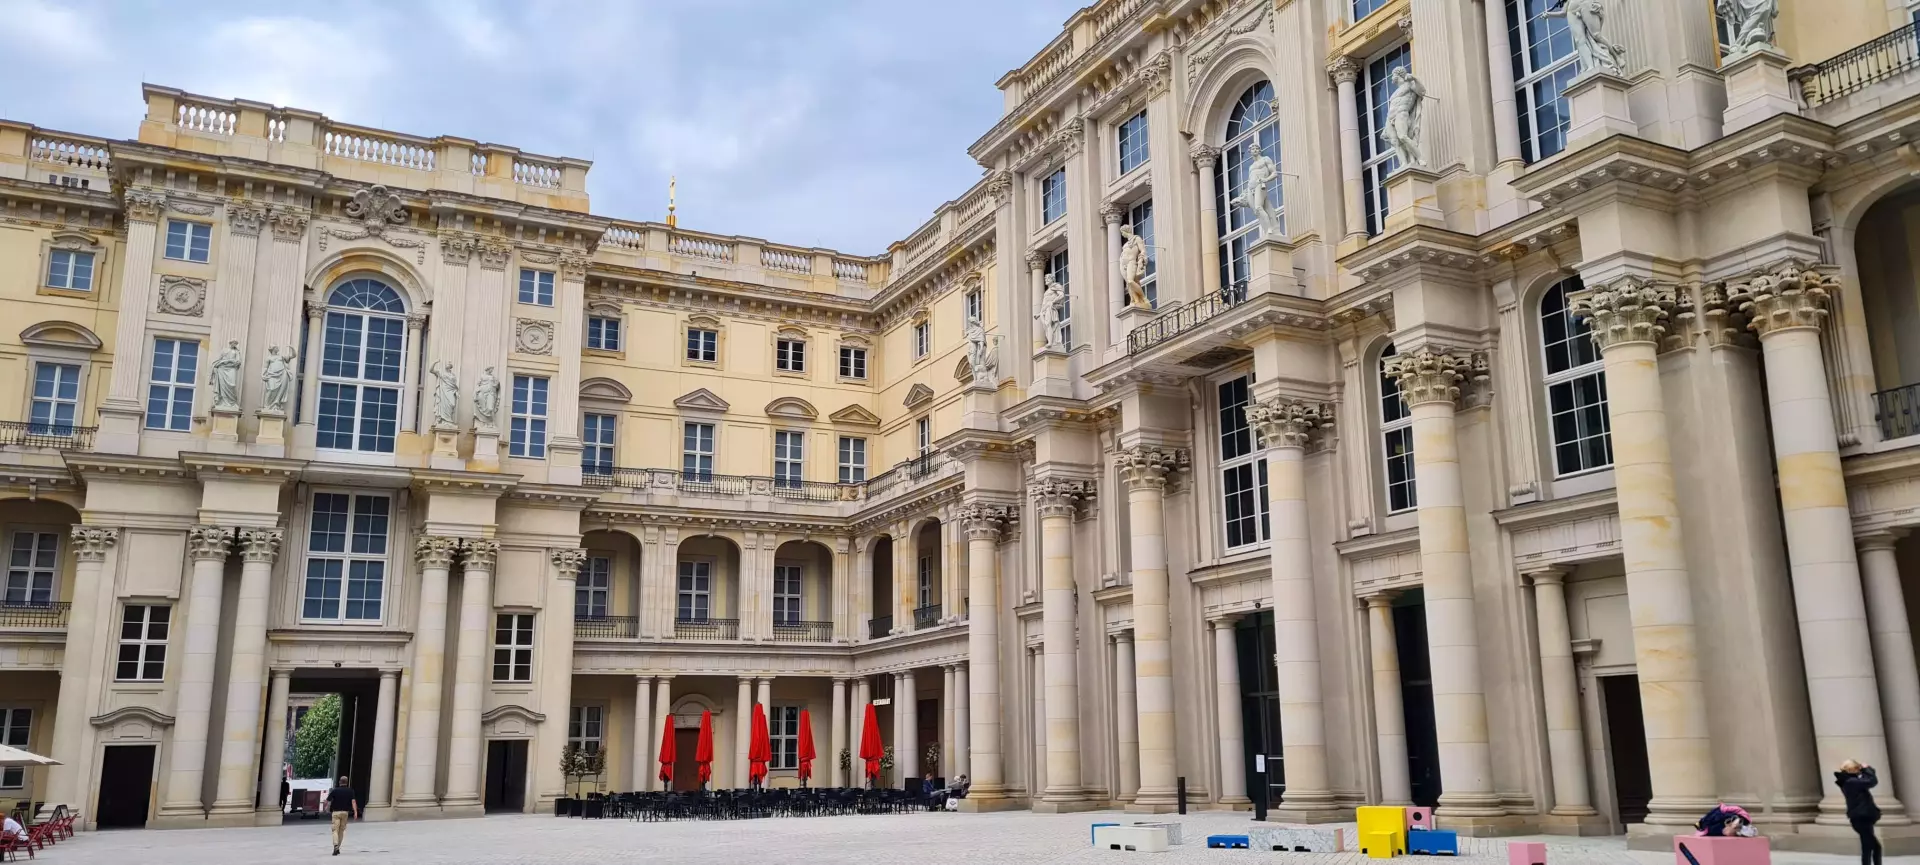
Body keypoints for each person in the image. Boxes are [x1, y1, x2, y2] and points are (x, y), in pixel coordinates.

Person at [1837, 760, 1882, 865]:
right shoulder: (1850, 782)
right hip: (1861, 818)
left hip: (1861, 817)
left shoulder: (1848, 781)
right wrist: (1867, 768)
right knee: (1871, 847)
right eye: (1857, 768)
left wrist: (1865, 770)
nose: (1859, 770)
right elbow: (1872, 781)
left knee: (1870, 846)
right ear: (1851, 769)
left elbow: (1866, 780)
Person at [325, 776, 358, 856]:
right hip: (345, 813)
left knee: (335, 830)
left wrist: (326, 808)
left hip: (336, 813)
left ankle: (335, 845)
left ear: (340, 782)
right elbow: (353, 802)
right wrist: (355, 812)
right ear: (347, 782)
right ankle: (338, 847)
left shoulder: (335, 790)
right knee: (341, 831)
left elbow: (327, 800)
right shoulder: (350, 791)